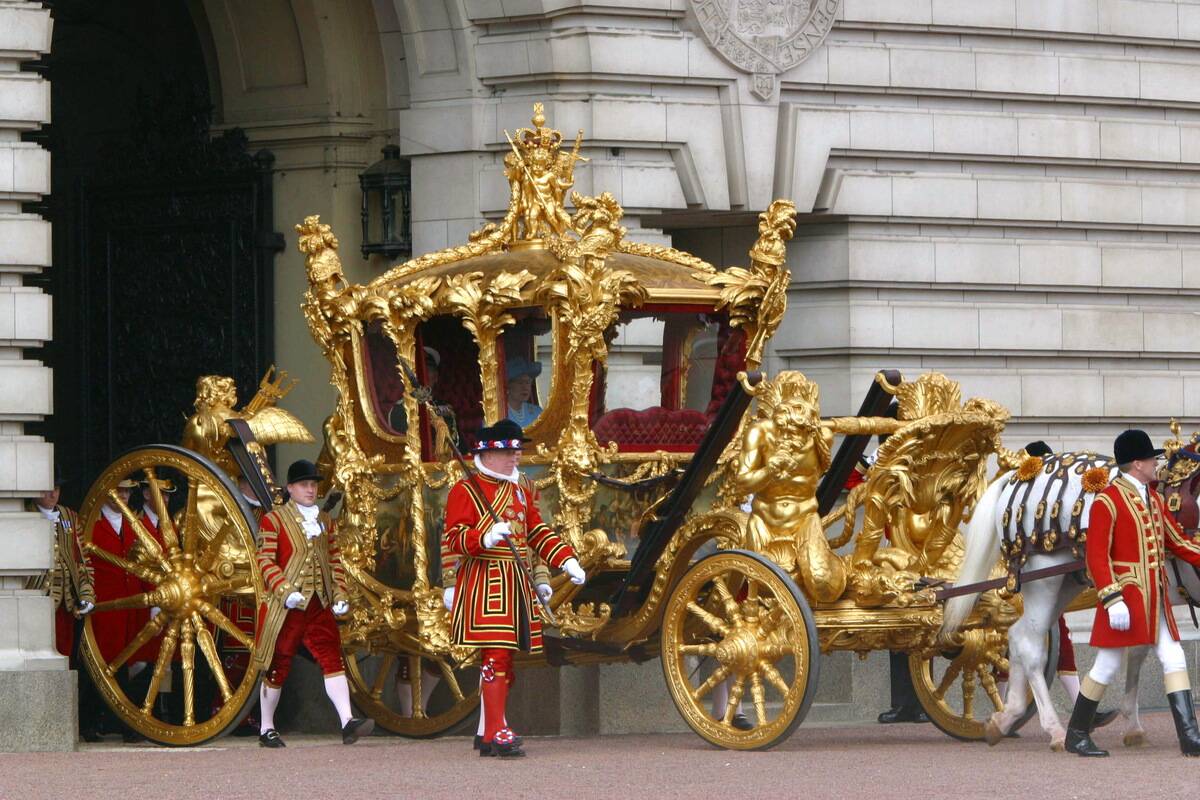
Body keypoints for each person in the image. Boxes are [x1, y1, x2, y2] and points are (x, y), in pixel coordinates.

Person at [442, 419, 585, 757]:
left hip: (516, 584)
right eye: (509, 452)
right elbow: (454, 538)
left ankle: (493, 731)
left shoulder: (521, 487)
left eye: (518, 451)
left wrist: (566, 560)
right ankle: (495, 732)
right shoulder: (466, 490)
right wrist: (484, 537)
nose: (516, 457)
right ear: (488, 454)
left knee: (507, 661)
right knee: (495, 657)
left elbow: (536, 531)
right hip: (485, 582)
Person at [1065, 429, 1200, 757]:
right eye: (1152, 459)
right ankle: (1077, 733)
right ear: (1138, 463)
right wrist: (1112, 599)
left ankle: (1189, 737)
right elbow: (1096, 557)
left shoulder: (1153, 498)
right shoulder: (1107, 500)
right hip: (1126, 599)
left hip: (1155, 599)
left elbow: (1178, 542)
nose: (1156, 464)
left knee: (1173, 656)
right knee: (1107, 665)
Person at [253, 459, 373, 748]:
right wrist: (283, 589)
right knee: (278, 662)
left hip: (318, 603)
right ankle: (266, 727)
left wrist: (340, 594)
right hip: (288, 606)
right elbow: (265, 560)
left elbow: (333, 561)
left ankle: (347, 721)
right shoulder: (273, 520)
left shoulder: (324, 521)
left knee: (332, 657)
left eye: (313, 484)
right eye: (304, 485)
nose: (310, 489)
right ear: (291, 488)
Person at [25, 468, 94, 657]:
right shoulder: (25, 516)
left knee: (66, 655)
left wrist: (87, 593)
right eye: (47, 489)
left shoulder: (69, 516)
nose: (53, 493)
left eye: (56, 488)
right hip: (38, 603)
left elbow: (82, 560)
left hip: (67, 604)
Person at [504, 358, 543, 428]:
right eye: (520, 382)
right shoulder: (499, 412)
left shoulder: (537, 412)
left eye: (527, 382)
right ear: (508, 386)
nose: (525, 387)